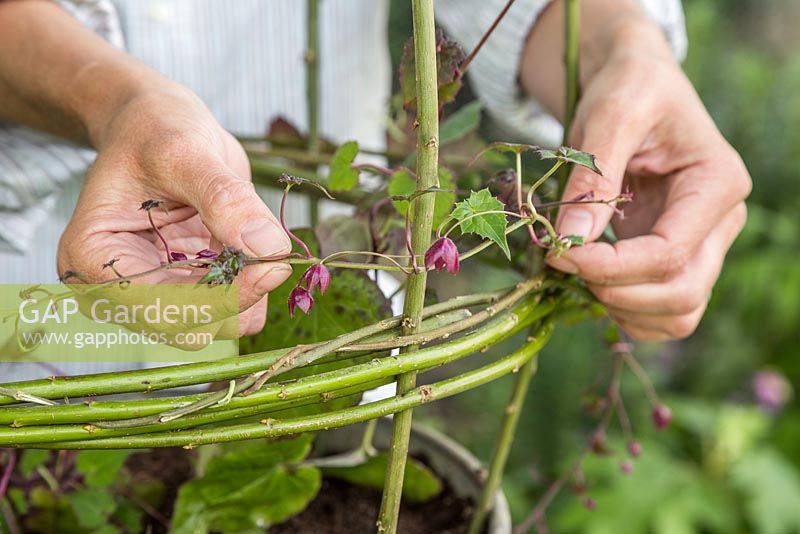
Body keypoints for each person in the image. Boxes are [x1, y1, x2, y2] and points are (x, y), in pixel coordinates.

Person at [0, 0, 750, 377]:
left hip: (337, 294)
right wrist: (107, 99)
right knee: (58, 462)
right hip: (33, 304)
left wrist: (624, 52)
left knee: (326, 444)